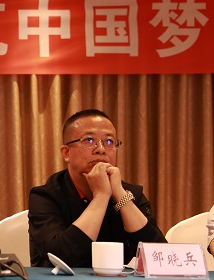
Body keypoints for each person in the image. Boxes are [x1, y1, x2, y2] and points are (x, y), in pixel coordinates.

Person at [28, 109, 166, 268]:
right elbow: (61, 258)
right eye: (89, 140)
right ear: (66, 153)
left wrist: (120, 196)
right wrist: (101, 196)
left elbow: (159, 258)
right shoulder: (45, 196)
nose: (101, 149)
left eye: (109, 142)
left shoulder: (131, 194)